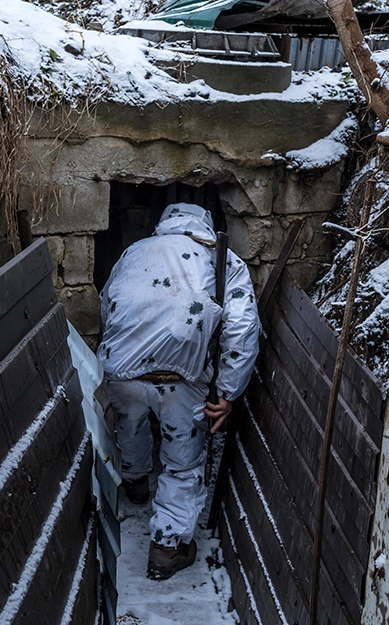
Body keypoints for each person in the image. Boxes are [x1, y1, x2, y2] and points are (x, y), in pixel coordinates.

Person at [97, 203, 260, 580]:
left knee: (130, 424)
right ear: (203, 224)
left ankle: (135, 481)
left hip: (121, 369)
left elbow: (108, 304)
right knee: (183, 462)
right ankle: (167, 549)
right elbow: (242, 325)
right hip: (179, 376)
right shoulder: (221, 259)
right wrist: (228, 392)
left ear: (164, 224)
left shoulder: (133, 252)